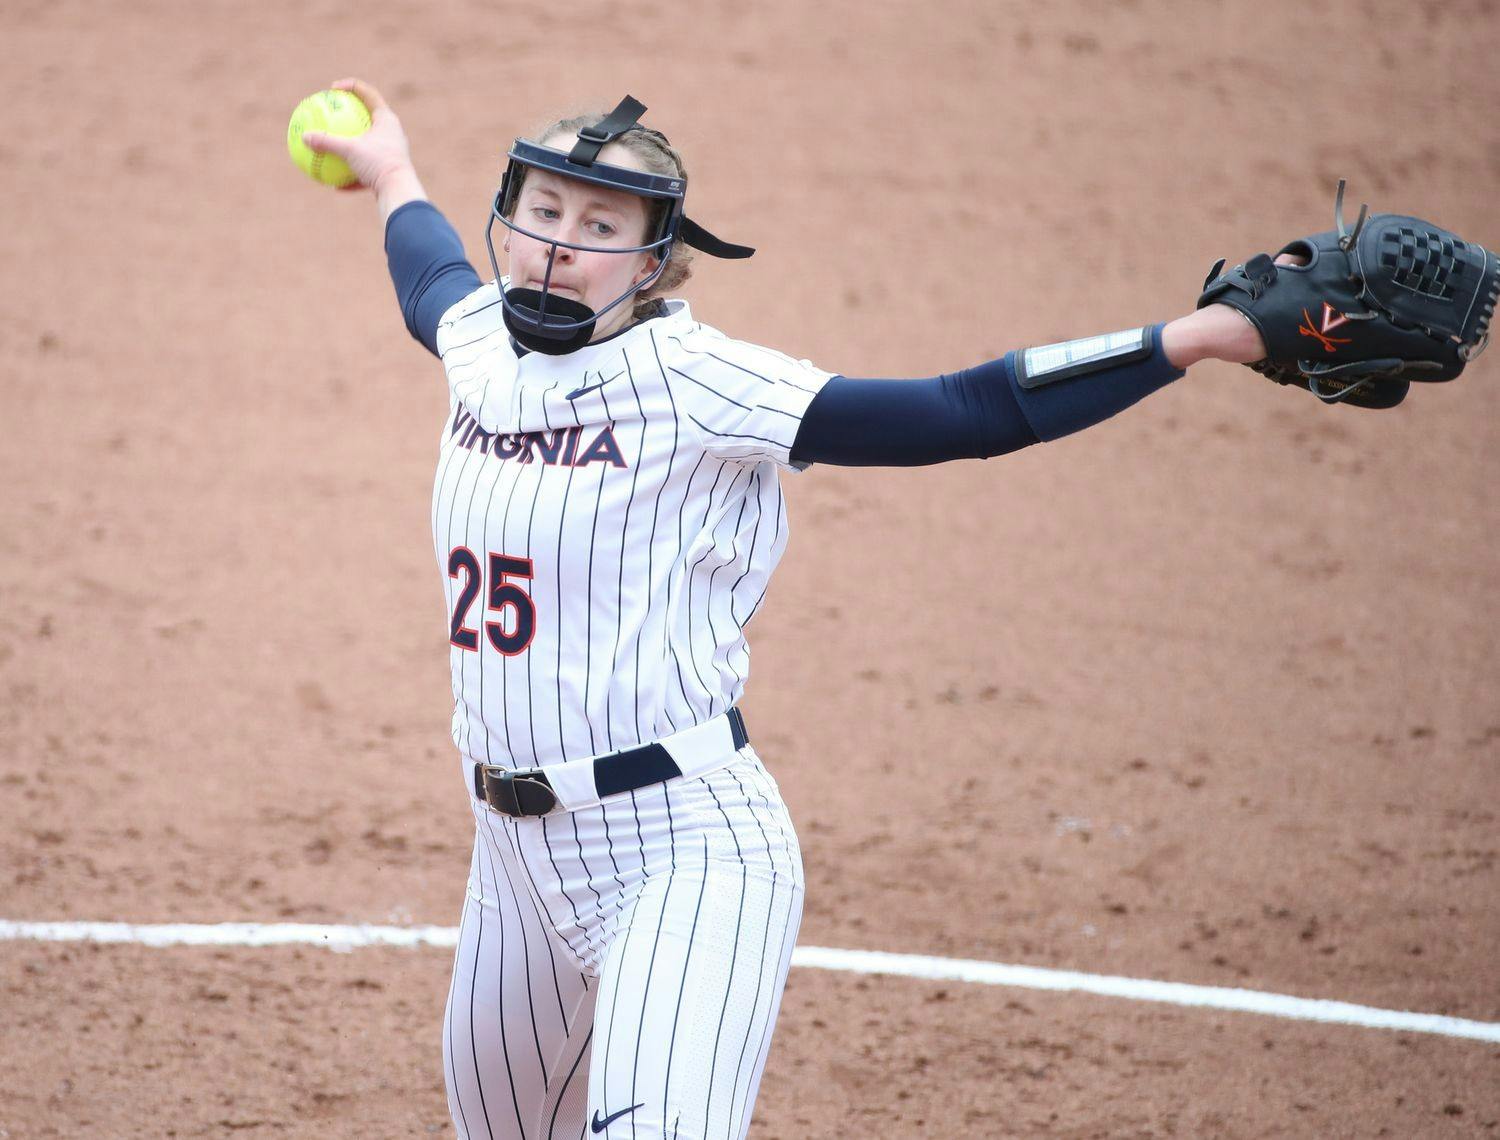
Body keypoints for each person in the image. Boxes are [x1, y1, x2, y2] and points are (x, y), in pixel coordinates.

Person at [299, 79, 1273, 1140]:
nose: (558, 246)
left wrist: (1192, 339)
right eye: (543, 211)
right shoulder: (481, 342)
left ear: (652, 260)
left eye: (599, 226)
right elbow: (427, 275)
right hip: (511, 859)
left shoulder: (699, 380)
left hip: (681, 848)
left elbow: (959, 411)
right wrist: (391, 171)